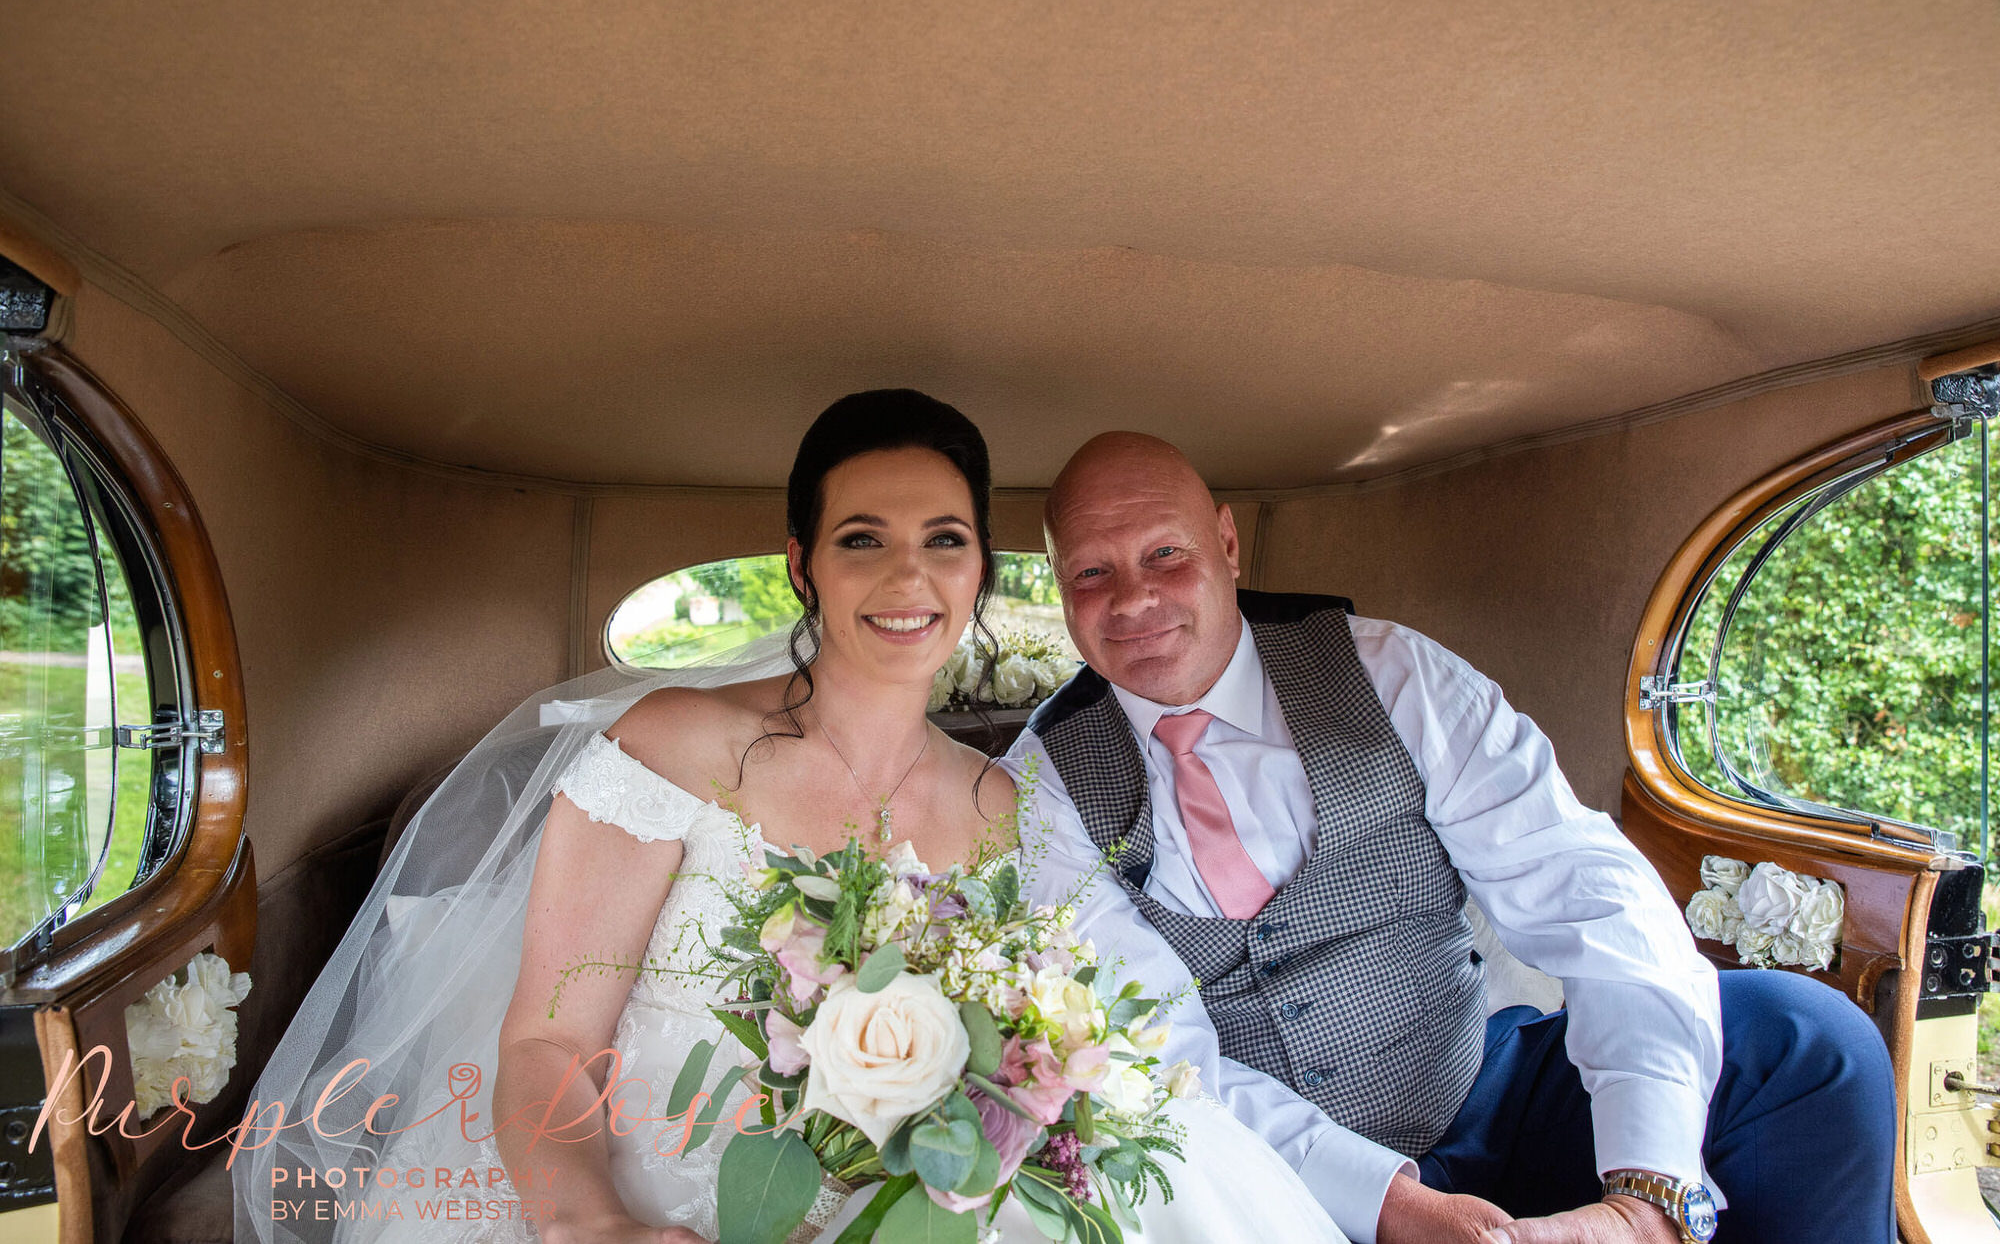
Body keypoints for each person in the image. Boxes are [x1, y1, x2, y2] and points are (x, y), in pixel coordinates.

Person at [233, 391, 1347, 1244]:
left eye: (945, 538)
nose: (907, 572)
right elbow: (545, 1041)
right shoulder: (672, 751)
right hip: (659, 1200)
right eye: (862, 537)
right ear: (800, 564)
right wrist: (594, 1224)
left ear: (982, 572)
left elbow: (1048, 1042)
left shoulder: (1007, 808)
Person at [1007, 431, 1896, 1244]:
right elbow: (1148, 1057)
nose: (1133, 599)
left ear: (1228, 546)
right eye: (1090, 573)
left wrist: (1645, 1196)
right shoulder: (1034, 790)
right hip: (1272, 1189)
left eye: (1166, 553)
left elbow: (1586, 889)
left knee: (1809, 1042)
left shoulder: (1390, 673)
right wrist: (1391, 1206)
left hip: (1486, 1093)